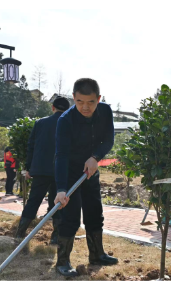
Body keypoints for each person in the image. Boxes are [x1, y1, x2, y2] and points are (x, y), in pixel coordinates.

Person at [54, 78, 118, 277]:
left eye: (90, 102)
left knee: (94, 212)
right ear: (73, 98)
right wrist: (61, 189)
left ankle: (97, 254)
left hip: (91, 169)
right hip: (72, 172)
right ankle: (62, 261)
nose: (85, 107)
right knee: (71, 217)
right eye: (80, 101)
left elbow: (109, 139)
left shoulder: (106, 112)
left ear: (98, 99)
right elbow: (61, 155)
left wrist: (95, 158)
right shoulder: (65, 120)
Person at [15, 96, 70, 245]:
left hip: (40, 169)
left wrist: (29, 168)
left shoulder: (40, 123)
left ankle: (20, 233)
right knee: (58, 203)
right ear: (69, 109)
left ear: (52, 107)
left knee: (33, 201)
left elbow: (31, 146)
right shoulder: (70, 124)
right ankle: (55, 237)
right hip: (61, 171)